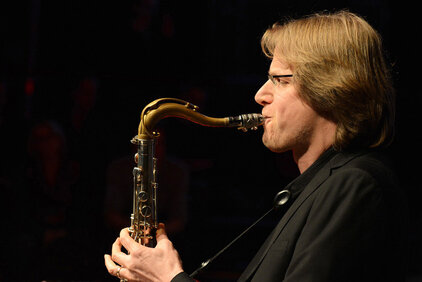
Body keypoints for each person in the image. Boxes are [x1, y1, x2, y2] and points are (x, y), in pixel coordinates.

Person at [104, 10, 408, 281]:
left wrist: (169, 279)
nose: (260, 95)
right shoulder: (326, 185)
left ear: (331, 88)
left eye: (280, 80)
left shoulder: (355, 184)